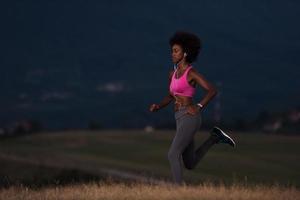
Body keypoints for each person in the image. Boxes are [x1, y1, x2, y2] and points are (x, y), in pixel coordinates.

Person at [149, 31, 236, 185]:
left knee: (172, 154)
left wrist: (198, 106)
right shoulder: (172, 74)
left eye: (176, 51)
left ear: (185, 53)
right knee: (190, 163)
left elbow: (212, 90)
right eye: (172, 51)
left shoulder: (192, 73)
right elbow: (170, 95)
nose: (172, 54)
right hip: (179, 118)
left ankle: (178, 192)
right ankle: (215, 138)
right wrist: (158, 106)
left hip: (190, 117)